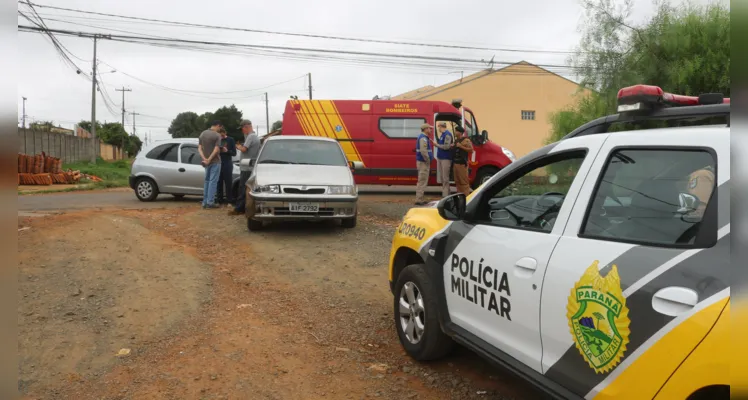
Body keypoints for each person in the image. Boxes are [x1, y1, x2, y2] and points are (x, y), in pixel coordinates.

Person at [228, 119, 261, 216]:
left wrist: (237, 146)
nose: (242, 131)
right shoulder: (254, 137)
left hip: (247, 167)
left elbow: (244, 149)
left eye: (242, 129)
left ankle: (239, 208)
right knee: (247, 188)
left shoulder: (250, 137)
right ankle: (245, 207)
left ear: (246, 127)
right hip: (250, 166)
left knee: (242, 187)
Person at [198, 120, 223, 209]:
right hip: (215, 162)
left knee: (207, 181)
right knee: (213, 182)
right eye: (220, 127)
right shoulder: (217, 135)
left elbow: (199, 148)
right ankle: (210, 202)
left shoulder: (203, 133)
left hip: (206, 162)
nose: (220, 129)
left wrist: (204, 158)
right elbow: (216, 149)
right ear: (217, 125)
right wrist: (209, 159)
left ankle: (204, 202)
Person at [216, 127, 237, 205]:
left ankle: (229, 201)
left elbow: (234, 153)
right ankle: (219, 200)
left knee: (228, 182)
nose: (221, 137)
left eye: (222, 136)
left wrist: (227, 151)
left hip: (227, 163)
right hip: (218, 162)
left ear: (225, 133)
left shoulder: (230, 140)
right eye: (219, 136)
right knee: (219, 182)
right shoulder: (217, 139)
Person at [432, 121, 453, 198]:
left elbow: (446, 147)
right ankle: (447, 192)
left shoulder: (447, 135)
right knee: (442, 177)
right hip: (441, 157)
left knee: (445, 177)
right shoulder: (442, 135)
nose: (438, 129)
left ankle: (445, 194)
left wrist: (436, 145)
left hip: (446, 158)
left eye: (439, 127)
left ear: (442, 126)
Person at [452, 126, 474, 196]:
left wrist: (461, 146)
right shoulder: (456, 140)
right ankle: (460, 196)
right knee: (457, 181)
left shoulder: (466, 140)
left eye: (456, 131)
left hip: (462, 164)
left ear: (460, 132)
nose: (455, 132)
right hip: (456, 163)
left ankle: (466, 197)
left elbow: (471, 150)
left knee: (464, 182)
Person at [415, 123, 433, 205]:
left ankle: (420, 198)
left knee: (422, 180)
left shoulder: (424, 137)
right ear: (425, 129)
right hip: (423, 162)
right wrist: (428, 159)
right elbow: (423, 151)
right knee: (422, 181)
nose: (430, 130)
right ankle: (419, 199)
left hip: (423, 162)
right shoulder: (423, 138)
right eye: (429, 128)